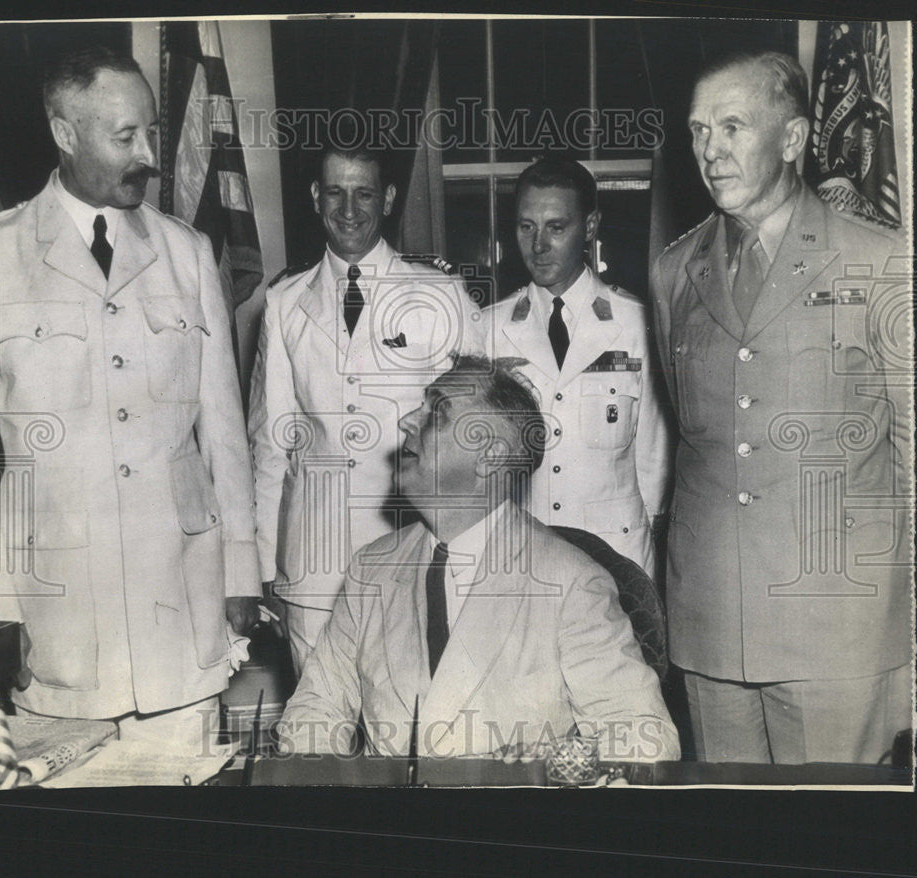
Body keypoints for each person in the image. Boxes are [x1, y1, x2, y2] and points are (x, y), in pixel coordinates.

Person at [0, 47, 261, 753]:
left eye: (151, 132)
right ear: (64, 132)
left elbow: (224, 438)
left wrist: (240, 572)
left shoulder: (188, 252)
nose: (149, 155)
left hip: (183, 617)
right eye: (124, 137)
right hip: (55, 632)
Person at [651, 51, 912, 764]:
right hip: (711, 621)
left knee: (835, 846)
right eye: (698, 130)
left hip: (838, 627)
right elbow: (697, 434)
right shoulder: (673, 270)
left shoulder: (880, 261)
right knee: (733, 847)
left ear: (793, 140)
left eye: (732, 127)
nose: (709, 151)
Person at [277, 355, 680, 760]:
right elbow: (315, 712)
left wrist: (555, 763)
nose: (406, 422)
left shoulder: (571, 582)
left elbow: (646, 737)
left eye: (437, 412)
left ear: (489, 456)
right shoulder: (371, 568)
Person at [247, 145, 484, 673]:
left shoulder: (440, 294)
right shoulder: (285, 302)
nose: (348, 209)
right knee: (318, 735)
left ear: (389, 199)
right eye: (334, 192)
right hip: (312, 565)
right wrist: (265, 566)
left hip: (410, 552)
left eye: (364, 194)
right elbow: (270, 445)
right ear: (315, 197)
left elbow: (475, 434)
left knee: (404, 731)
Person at [482, 157, 670, 576]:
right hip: (521, 555)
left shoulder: (636, 324)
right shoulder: (489, 330)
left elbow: (654, 460)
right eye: (526, 226)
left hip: (615, 558)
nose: (538, 245)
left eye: (556, 227)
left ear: (589, 227)